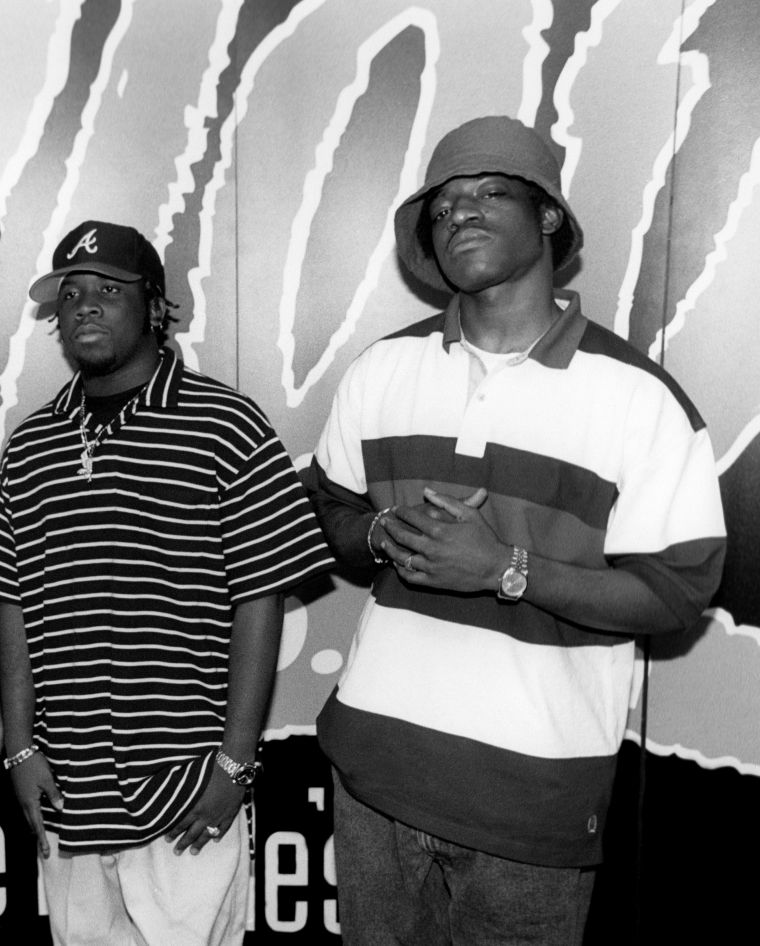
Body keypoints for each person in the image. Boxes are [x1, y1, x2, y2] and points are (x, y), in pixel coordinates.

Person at [309, 116, 726, 945]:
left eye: (488, 192)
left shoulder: (638, 398)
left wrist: (507, 570)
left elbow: (676, 593)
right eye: (442, 205)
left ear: (547, 218)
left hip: (529, 808)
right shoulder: (383, 369)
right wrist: (385, 533)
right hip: (373, 781)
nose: (459, 213)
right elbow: (329, 508)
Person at [0, 220, 333, 946]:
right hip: (68, 789)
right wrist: (21, 747)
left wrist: (235, 763)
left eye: (108, 290)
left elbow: (260, 597)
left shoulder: (226, 425)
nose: (84, 305)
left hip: (185, 789)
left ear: (153, 305)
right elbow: (13, 602)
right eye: (71, 294)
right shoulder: (31, 445)